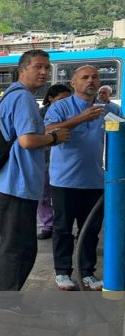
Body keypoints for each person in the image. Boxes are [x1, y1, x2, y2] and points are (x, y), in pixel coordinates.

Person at [0, 50, 70, 317]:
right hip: (16, 184)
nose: (44, 72)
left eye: (47, 67)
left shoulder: (13, 95)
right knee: (21, 247)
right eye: (38, 67)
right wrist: (55, 138)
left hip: (7, 183)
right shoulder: (22, 98)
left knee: (10, 243)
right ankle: (6, 300)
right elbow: (27, 141)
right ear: (23, 70)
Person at [45, 65, 105, 292]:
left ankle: (87, 273)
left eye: (95, 77)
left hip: (94, 181)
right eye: (85, 77)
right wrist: (80, 118)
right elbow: (47, 129)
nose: (91, 81)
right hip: (64, 181)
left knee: (90, 230)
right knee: (62, 229)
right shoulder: (61, 106)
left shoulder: (107, 108)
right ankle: (62, 272)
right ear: (74, 83)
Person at [36, 84, 72, 241]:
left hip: (66, 162)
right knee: (43, 196)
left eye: (68, 99)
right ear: (50, 98)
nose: (65, 102)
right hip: (44, 160)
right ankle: (47, 225)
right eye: (61, 99)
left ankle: (64, 225)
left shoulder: (72, 113)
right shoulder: (40, 114)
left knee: (64, 197)